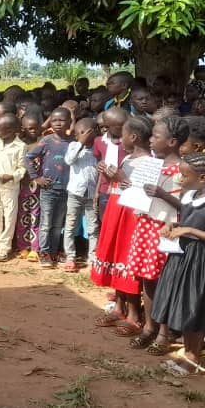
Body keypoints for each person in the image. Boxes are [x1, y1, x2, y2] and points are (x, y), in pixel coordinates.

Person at [151, 153, 205, 377]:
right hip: (182, 257)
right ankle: (187, 354)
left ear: (202, 177)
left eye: (185, 175)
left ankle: (193, 358)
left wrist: (190, 230)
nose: (180, 178)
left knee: (196, 306)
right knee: (184, 306)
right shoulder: (188, 196)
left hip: (202, 261)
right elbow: (187, 221)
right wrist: (173, 226)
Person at [124, 116, 187, 350]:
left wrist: (163, 194)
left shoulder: (183, 170)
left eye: (156, 136)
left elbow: (188, 206)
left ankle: (164, 332)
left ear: (172, 142)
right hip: (146, 226)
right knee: (147, 280)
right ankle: (149, 327)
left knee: (166, 282)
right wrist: (129, 188)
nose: (150, 140)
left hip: (167, 230)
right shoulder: (151, 165)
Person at [91, 117, 151, 335]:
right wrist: (109, 175)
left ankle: (134, 316)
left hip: (131, 218)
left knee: (128, 262)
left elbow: (143, 194)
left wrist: (120, 176)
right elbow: (119, 185)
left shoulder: (148, 162)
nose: (120, 140)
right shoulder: (128, 158)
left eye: (123, 135)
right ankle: (119, 307)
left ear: (133, 137)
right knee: (116, 258)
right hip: (116, 212)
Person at [25, 109, 73, 268]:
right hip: (48, 189)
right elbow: (29, 157)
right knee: (46, 223)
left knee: (58, 224)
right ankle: (44, 252)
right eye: (54, 120)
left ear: (69, 122)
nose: (58, 123)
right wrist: (36, 177)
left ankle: (53, 251)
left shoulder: (73, 142)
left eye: (62, 120)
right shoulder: (46, 140)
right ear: (50, 122)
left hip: (66, 190)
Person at [0, 113, 26, 261]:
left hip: (10, 187)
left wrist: (11, 176)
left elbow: (22, 168)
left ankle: (5, 247)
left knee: (9, 217)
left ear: (10, 131)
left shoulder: (20, 146)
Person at [60, 117, 99, 272]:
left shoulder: (98, 149)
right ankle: (70, 257)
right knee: (70, 225)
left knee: (93, 227)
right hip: (75, 193)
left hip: (92, 195)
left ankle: (92, 257)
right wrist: (80, 143)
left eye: (86, 132)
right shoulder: (73, 146)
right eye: (80, 133)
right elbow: (69, 160)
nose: (83, 136)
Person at [15, 113, 43, 260]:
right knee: (22, 217)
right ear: (23, 129)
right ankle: (22, 246)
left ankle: (35, 248)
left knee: (36, 216)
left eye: (36, 127)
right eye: (30, 128)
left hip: (38, 187)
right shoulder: (20, 144)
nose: (34, 130)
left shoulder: (43, 142)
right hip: (22, 186)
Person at [93, 108, 129, 216]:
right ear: (108, 126)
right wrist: (97, 191)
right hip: (105, 190)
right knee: (104, 219)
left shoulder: (129, 143)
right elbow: (100, 167)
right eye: (120, 126)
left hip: (124, 189)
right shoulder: (99, 142)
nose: (125, 128)